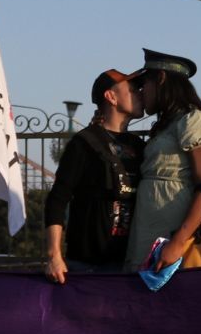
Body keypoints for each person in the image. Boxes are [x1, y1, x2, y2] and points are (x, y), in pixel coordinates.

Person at [123, 49, 201, 273]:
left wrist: (178, 242)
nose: (141, 91)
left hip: (176, 243)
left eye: (144, 84)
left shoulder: (193, 120)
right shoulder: (166, 126)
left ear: (160, 79)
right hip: (148, 235)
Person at [44, 68, 147, 283]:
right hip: (87, 265)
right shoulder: (84, 143)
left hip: (130, 262)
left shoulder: (139, 146)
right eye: (132, 89)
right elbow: (57, 199)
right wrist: (54, 255)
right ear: (111, 97)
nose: (140, 93)